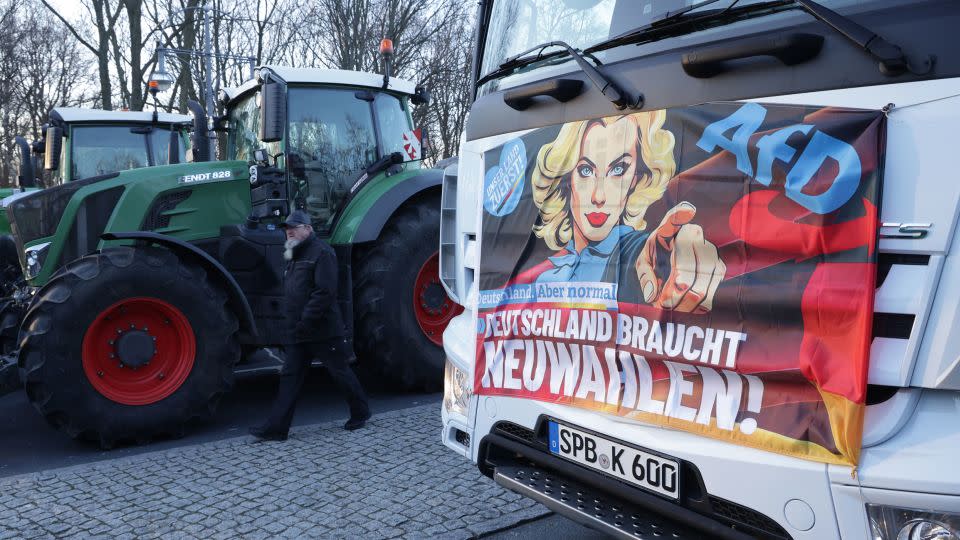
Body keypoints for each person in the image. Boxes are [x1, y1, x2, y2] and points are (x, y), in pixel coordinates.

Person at [522, 110, 726, 313]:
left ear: (635, 180)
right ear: (568, 180)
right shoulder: (544, 278)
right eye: (586, 171)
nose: (599, 196)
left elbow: (643, 253)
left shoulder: (634, 251)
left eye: (618, 169)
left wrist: (671, 259)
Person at [250, 210, 371, 441]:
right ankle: (276, 429)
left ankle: (361, 411)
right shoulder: (292, 253)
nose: (289, 231)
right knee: (289, 378)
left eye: (294, 227)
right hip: (298, 331)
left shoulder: (323, 252)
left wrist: (306, 320)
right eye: (287, 229)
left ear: (309, 229)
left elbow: (324, 292)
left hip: (323, 329)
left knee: (340, 372)